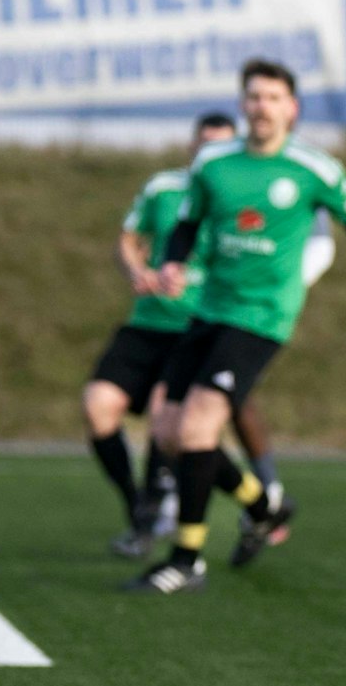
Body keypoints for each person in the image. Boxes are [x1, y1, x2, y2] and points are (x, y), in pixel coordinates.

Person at [125, 59, 346, 594]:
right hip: (208, 310)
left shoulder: (315, 168)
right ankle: (263, 506)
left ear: (292, 108)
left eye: (272, 97)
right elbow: (187, 223)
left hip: (263, 316)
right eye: (254, 97)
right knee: (169, 434)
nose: (261, 106)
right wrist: (172, 262)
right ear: (243, 105)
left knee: (199, 428)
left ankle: (187, 560)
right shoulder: (214, 162)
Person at [87, 112, 235, 558]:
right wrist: (138, 271)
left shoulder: (238, 195)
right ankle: (137, 506)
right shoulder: (164, 188)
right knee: (98, 406)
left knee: (164, 417)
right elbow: (128, 239)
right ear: (191, 146)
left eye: (222, 146)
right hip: (147, 322)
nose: (211, 153)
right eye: (205, 144)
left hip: (196, 326)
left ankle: (159, 518)